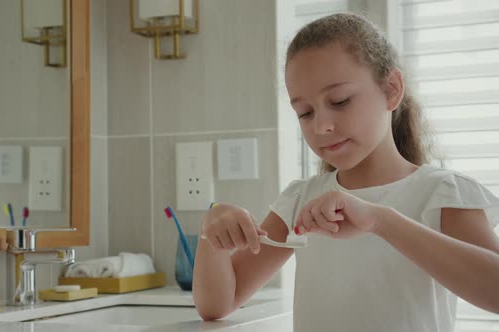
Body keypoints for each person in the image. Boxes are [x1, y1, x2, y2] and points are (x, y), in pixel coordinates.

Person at [192, 13, 499, 332]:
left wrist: (382, 221)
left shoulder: (443, 193)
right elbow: (217, 305)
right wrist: (210, 230)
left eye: (339, 101)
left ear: (392, 89)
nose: (322, 126)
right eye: (305, 113)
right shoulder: (300, 200)